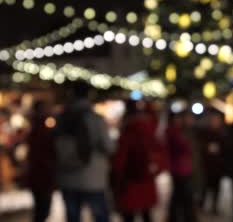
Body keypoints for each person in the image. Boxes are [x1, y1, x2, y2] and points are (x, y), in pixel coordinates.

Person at [54, 85, 114, 222]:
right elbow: (109, 146)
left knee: (73, 216)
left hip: (67, 177)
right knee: (100, 215)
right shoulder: (95, 119)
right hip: (92, 178)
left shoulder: (61, 118)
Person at [112, 100, 164, 222]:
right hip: (146, 181)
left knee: (129, 215)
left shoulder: (127, 133)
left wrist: (115, 177)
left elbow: (119, 160)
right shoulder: (151, 132)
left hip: (129, 182)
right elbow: (160, 155)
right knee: (146, 213)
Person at [166, 109, 198, 222]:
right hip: (180, 169)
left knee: (179, 196)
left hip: (182, 168)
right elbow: (185, 148)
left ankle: (176, 216)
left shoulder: (181, 131)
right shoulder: (175, 132)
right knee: (184, 196)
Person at [27, 101, 56, 222]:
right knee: (42, 207)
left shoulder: (36, 127)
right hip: (42, 172)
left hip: (40, 172)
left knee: (41, 207)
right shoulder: (40, 128)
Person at [199, 108, 226, 215]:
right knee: (205, 187)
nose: (215, 121)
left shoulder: (222, 133)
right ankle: (201, 205)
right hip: (207, 165)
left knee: (216, 188)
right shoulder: (205, 133)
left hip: (218, 166)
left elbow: (225, 149)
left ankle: (214, 206)